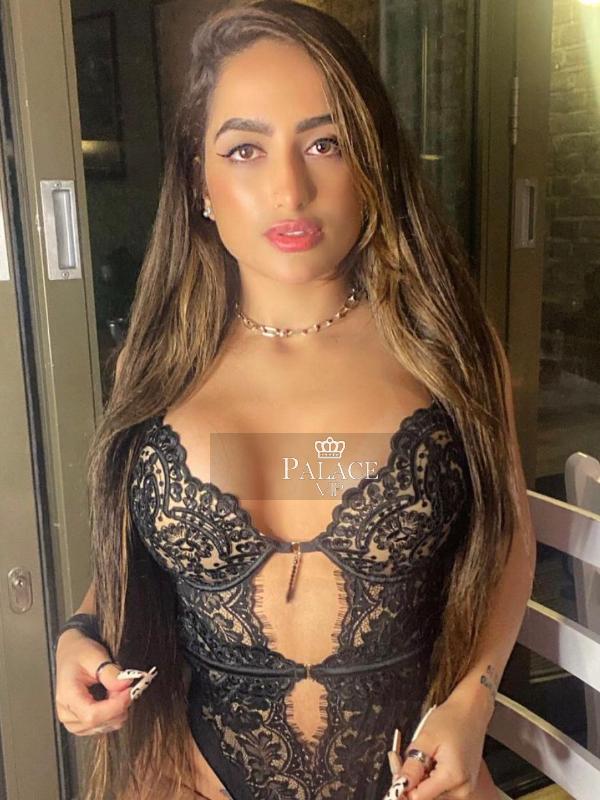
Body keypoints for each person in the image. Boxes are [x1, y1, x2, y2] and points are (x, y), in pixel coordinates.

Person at [53, 2, 536, 799]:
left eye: (325, 143)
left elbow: (509, 535)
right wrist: (82, 631)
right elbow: (143, 551)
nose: (289, 189)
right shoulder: (159, 362)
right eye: (245, 149)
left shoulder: (447, 347)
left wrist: (470, 702)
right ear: (199, 181)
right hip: (190, 781)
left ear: (371, 162)